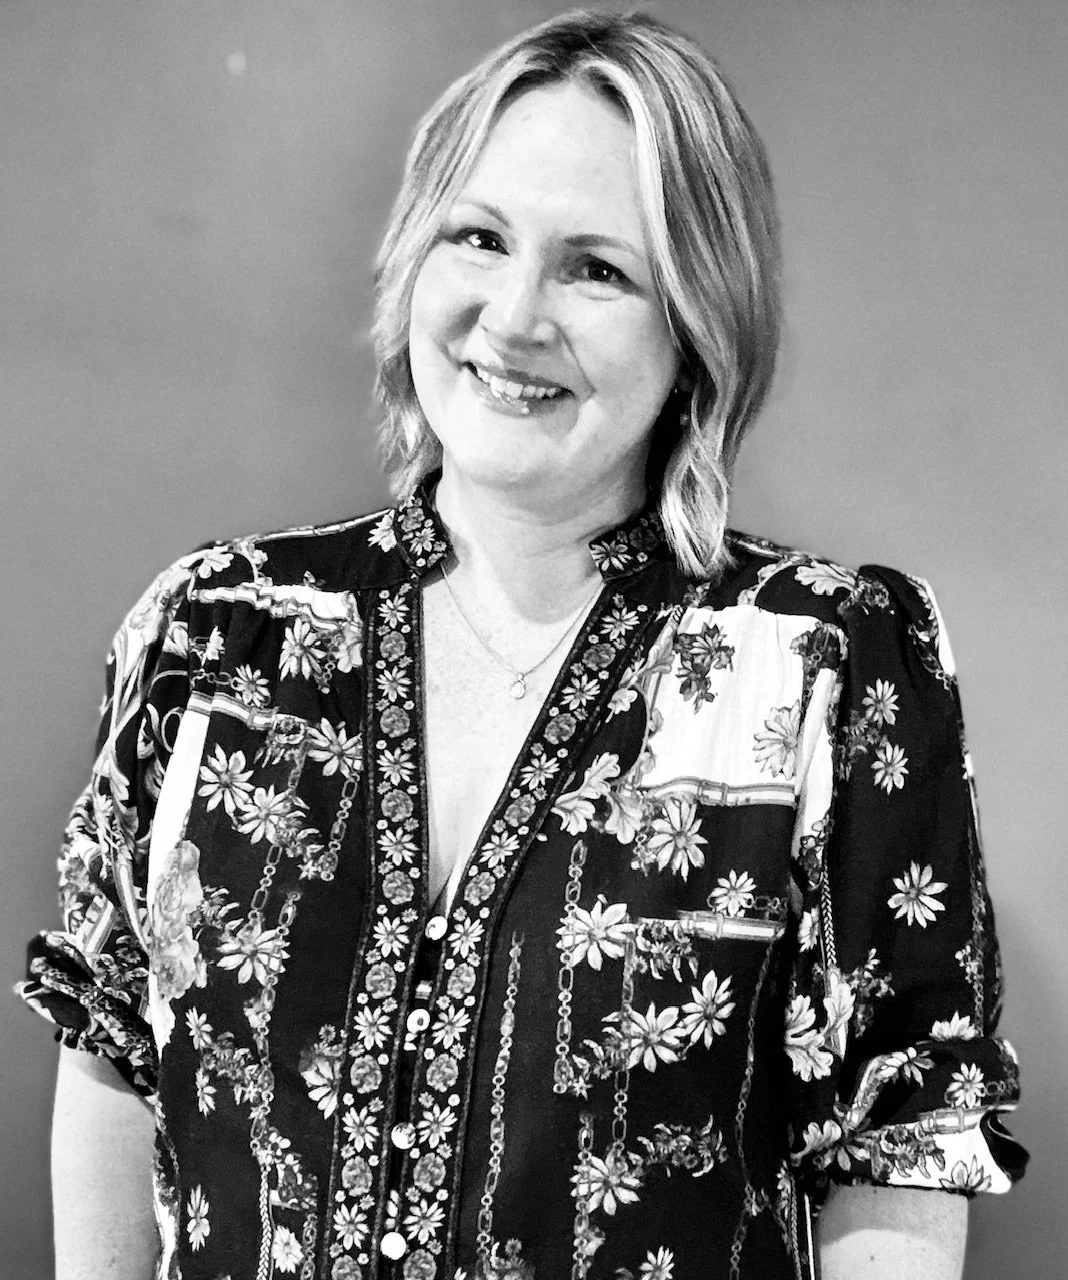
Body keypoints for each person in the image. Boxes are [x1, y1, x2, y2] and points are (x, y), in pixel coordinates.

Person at [19, 9, 1026, 1280]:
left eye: (596, 268)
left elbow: (893, 1155)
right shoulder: (214, 630)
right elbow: (114, 1058)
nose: (514, 314)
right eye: (480, 238)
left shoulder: (829, 660)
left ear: (698, 325)